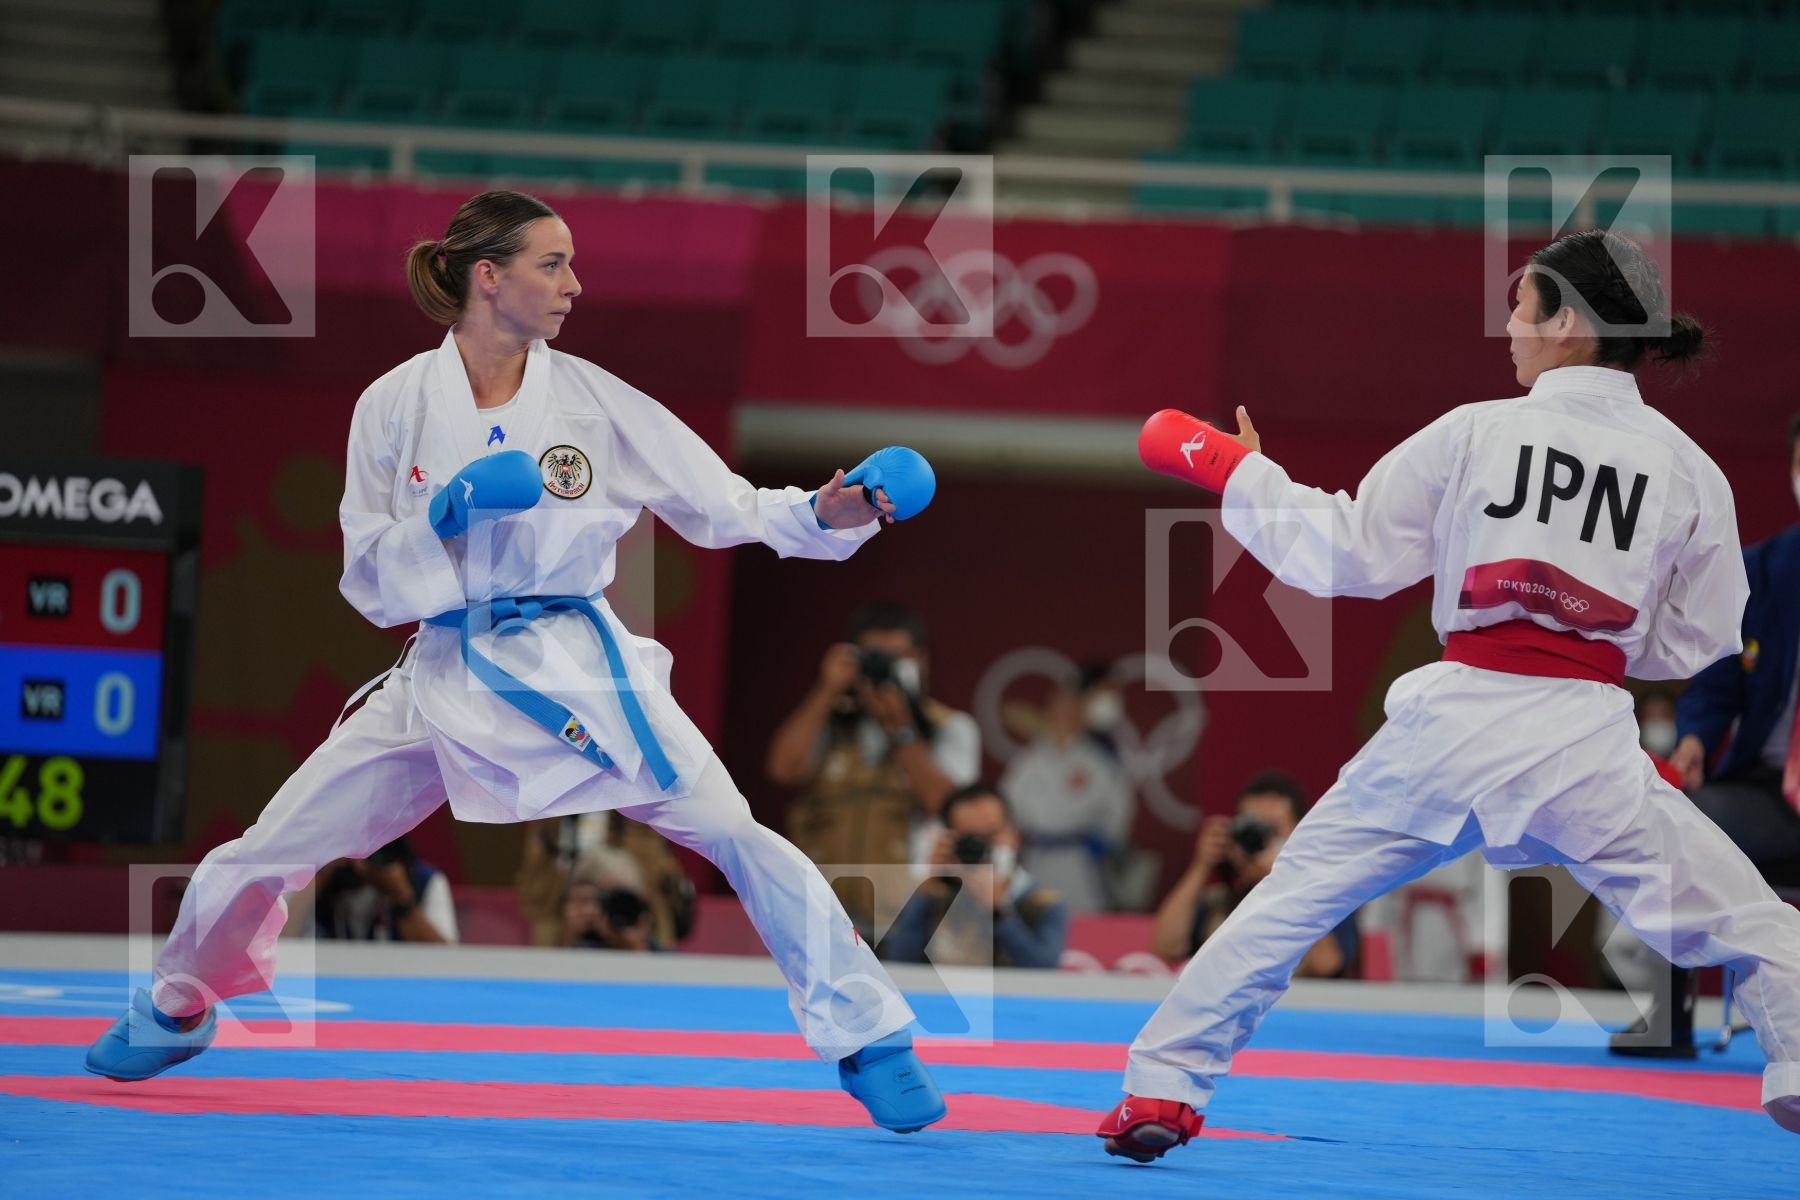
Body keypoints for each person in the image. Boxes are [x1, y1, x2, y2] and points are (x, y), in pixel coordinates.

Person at [83, 189, 946, 1135]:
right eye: (553, 264)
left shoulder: (593, 401)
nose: (574, 285)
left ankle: (871, 1037)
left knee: (735, 833)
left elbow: (726, 505)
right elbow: (366, 578)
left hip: (577, 662)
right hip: (445, 666)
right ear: (486, 277)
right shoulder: (394, 404)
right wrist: (441, 520)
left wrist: (833, 512)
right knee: (268, 849)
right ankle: (178, 1001)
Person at [1095, 229, 1800, 1163]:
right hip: (1584, 745)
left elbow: (1344, 553)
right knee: (1752, 922)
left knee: (1292, 900)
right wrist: (1606, 636)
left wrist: (1241, 473)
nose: (1509, 324)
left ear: (1571, 323)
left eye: (1523, 304)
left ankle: (1163, 1090)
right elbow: (1702, 638)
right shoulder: (1690, 470)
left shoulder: (1476, 431)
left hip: (1450, 730)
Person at [1612, 414, 1800, 1057]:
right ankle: (1671, 1017)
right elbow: (1718, 684)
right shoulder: (1766, 572)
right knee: (1677, 820)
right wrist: (1693, 738)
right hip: (1773, 792)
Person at [767, 603, 980, 935]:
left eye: (897, 658)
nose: (884, 670)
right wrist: (827, 689)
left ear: (921, 660)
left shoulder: (949, 728)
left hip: (904, 918)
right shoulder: (834, 721)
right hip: (822, 914)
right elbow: (784, 770)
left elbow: (948, 807)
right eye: (874, 659)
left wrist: (902, 729)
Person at [1149, 772, 1355, 978]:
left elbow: (1327, 965)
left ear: (1299, 834)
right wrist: (1201, 864)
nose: (1259, 840)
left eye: (1272, 829)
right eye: (1252, 828)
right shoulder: (1218, 901)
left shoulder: (1325, 896)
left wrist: (1283, 880)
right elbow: (1167, 946)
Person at [881, 781, 1070, 969]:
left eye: (991, 836)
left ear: (1013, 835)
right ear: (949, 840)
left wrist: (998, 911)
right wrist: (927, 888)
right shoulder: (935, 898)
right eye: (969, 840)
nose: (981, 848)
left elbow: (1045, 976)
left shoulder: (1042, 903)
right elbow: (900, 968)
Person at [1000, 665, 1134, 914]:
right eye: (1058, 709)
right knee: (1035, 916)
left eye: (1071, 710)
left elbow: (1118, 814)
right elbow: (1007, 809)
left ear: (1082, 715)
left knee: (1085, 923)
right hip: (1037, 857)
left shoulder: (1100, 762)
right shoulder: (1028, 761)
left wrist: (1105, 842)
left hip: (1081, 863)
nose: (1064, 716)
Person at [311, 836, 459, 944]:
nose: (362, 858)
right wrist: (319, 875)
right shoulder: (318, 879)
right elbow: (288, 942)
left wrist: (402, 899)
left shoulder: (424, 880)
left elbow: (446, 961)